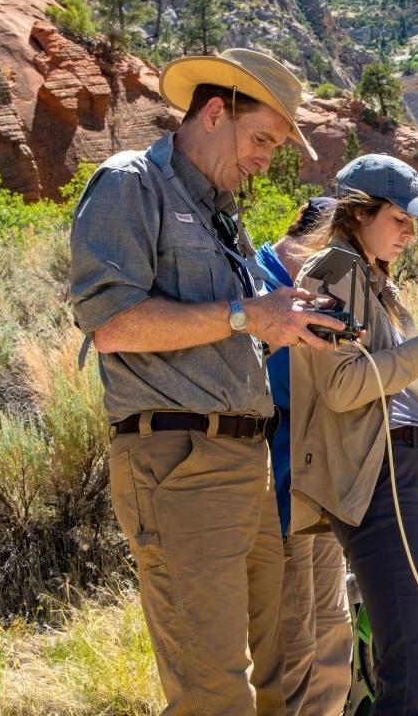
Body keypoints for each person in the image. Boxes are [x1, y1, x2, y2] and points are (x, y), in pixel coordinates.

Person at [69, 48, 344, 716]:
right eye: (261, 140)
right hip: (179, 465)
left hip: (247, 463)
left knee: (274, 681)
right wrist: (246, 314)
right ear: (215, 112)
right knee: (212, 692)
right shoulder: (130, 183)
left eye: (276, 147)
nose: (265, 159)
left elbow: (235, 325)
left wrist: (284, 323)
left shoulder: (223, 214)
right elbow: (111, 324)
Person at [289, 154, 418, 716]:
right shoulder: (335, 270)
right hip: (384, 475)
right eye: (400, 219)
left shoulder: (375, 281)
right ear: (358, 213)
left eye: (414, 224)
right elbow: (342, 386)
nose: (411, 233)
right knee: (416, 667)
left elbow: (389, 376)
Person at [254, 196, 353, 716]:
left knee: (333, 632)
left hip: (322, 490)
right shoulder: (256, 283)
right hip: (278, 489)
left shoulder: (325, 293)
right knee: (295, 638)